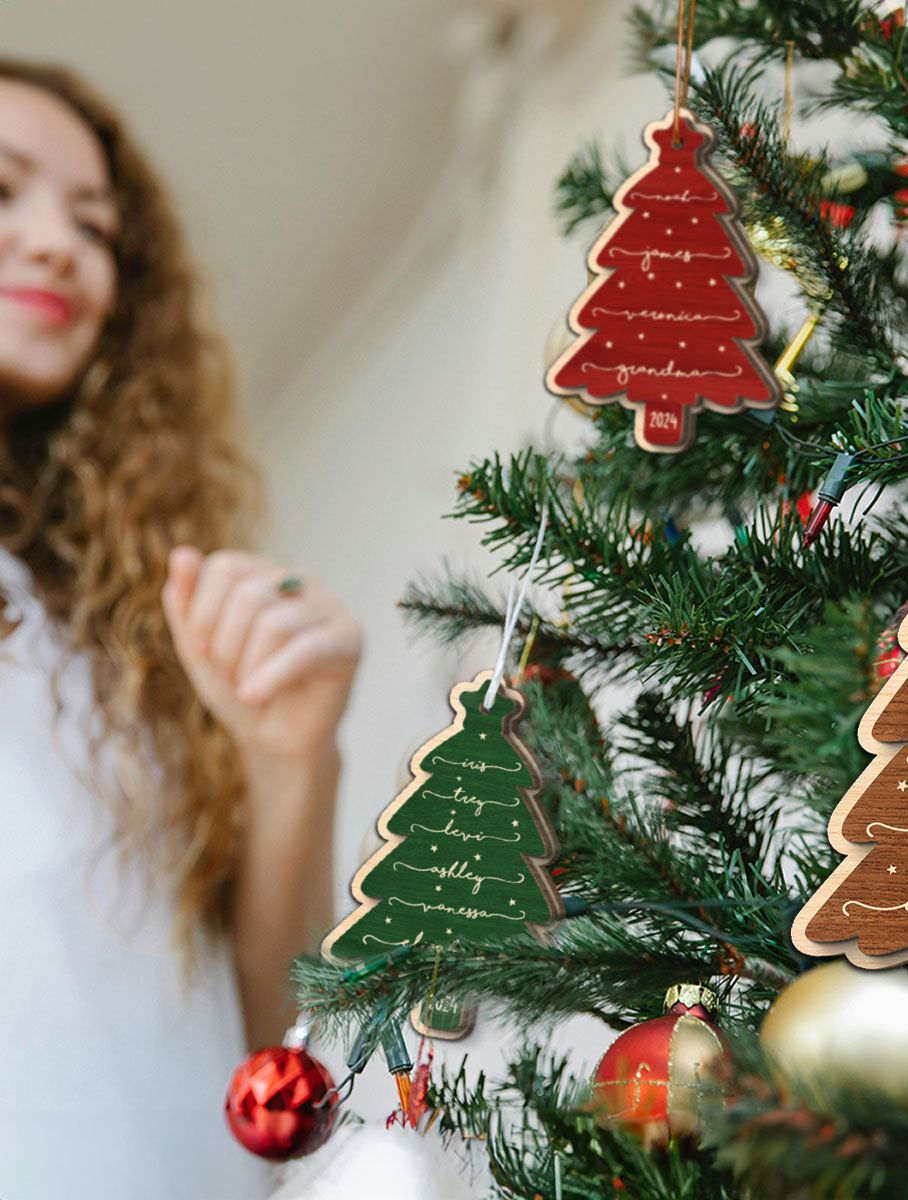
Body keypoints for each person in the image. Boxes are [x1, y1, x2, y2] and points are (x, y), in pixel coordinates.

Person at [0, 57, 363, 1198]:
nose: (61, 246)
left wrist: (288, 758)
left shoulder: (115, 631)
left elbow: (266, 1046)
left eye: (96, 225)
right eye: (1, 193)